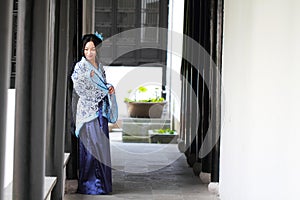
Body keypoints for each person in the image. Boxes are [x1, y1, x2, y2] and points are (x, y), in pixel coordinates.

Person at [71, 33, 116, 195]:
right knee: (91, 147)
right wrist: (89, 80)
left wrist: (109, 88)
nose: (89, 53)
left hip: (101, 113)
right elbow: (80, 88)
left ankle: (103, 185)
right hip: (88, 113)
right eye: (86, 49)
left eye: (92, 49)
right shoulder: (80, 67)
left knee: (102, 147)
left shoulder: (100, 66)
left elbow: (103, 85)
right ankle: (90, 185)